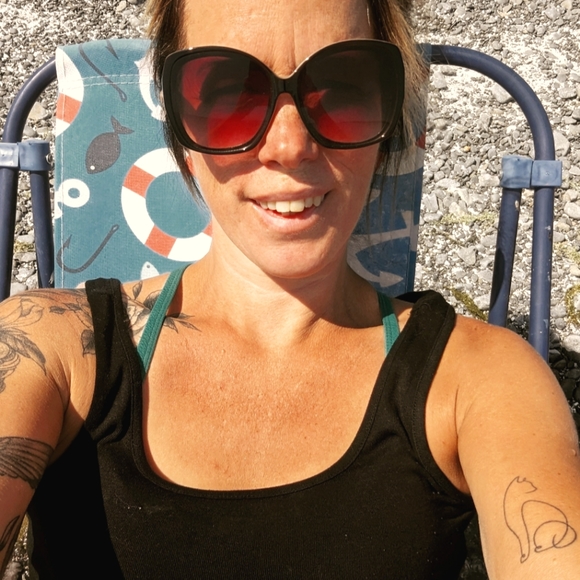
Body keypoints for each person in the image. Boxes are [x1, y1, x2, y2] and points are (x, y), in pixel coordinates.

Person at [1, 0, 580, 578]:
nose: (290, 146)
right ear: (179, 126)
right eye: (230, 93)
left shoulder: (481, 381)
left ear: (388, 118)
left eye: (341, 88)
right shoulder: (48, 350)